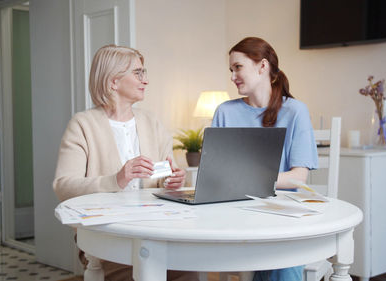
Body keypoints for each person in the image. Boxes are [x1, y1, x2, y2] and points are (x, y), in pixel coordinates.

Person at [53, 44, 198, 281]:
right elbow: (64, 185)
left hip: (155, 229)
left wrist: (172, 181)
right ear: (113, 82)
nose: (145, 80)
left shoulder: (152, 122)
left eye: (144, 72)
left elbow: (163, 176)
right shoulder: (82, 125)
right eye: (138, 73)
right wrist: (116, 179)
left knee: (189, 272)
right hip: (107, 235)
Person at [212, 37, 318, 281]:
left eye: (238, 67)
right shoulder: (225, 112)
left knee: (282, 260)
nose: (232, 76)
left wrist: (245, 179)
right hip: (235, 214)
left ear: (262, 66)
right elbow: (216, 174)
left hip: (283, 214)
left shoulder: (295, 111)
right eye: (231, 69)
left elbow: (298, 178)